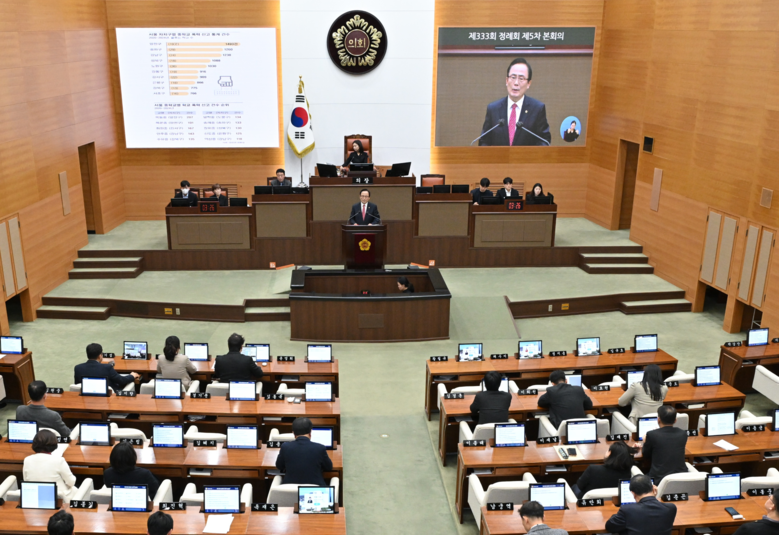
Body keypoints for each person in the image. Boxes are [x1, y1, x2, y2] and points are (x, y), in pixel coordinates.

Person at [479, 58, 551, 147]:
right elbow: (484, 141)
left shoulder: (537, 109)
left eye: (521, 78)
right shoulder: (493, 109)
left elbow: (544, 141)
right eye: (513, 77)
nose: (516, 83)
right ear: (507, 80)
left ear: (529, 83)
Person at [604, 474, 677, 535]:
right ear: (653, 489)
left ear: (633, 493)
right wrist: (654, 496)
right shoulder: (671, 508)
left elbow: (610, 527)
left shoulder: (627, 510)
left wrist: (616, 516)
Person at [275, 417, 333, 486]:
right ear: (310, 432)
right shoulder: (320, 448)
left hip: (290, 489)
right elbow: (329, 467)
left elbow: (279, 466)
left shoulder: (285, 447)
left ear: (293, 433)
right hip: (315, 489)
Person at [23, 429, 77, 498]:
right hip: (60, 498)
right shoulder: (59, 460)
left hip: (36, 497)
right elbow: (71, 482)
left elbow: (26, 481)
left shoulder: (27, 460)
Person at [639, 405, 687, 482]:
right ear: (675, 420)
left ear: (658, 420)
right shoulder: (683, 433)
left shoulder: (652, 435)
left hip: (659, 478)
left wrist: (645, 442)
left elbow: (646, 455)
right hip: (681, 478)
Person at [74, 343, 139, 392]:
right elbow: (121, 380)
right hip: (109, 398)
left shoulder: (77, 368)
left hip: (86, 398)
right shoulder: (107, 367)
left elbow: (78, 385)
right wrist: (132, 376)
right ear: (100, 356)